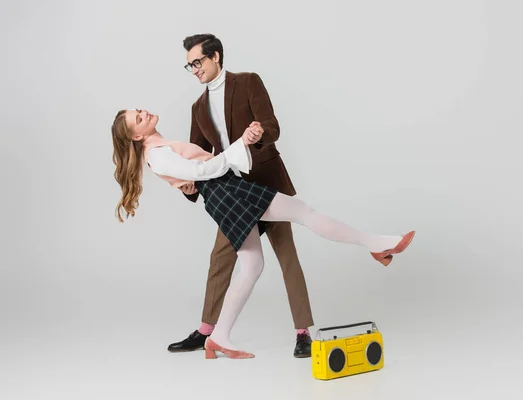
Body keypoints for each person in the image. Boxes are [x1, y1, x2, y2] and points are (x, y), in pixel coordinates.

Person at [111, 108, 416, 359]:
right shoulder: (157, 153)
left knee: (252, 266)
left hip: (222, 194)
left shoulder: (160, 148)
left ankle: (219, 337)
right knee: (303, 213)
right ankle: (376, 244)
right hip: (227, 191)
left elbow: (193, 174)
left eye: (138, 110)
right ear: (137, 136)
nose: (143, 112)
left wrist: (203, 169)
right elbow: (202, 172)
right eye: (138, 118)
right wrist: (239, 144)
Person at [170, 33, 317, 358]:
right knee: (220, 259)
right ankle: (207, 332)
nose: (194, 69)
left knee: (287, 257)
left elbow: (272, 125)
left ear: (216, 57)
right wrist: (187, 185)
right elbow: (197, 155)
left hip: (266, 184)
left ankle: (303, 333)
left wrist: (260, 132)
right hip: (234, 195)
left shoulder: (248, 82)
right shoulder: (198, 107)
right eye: (189, 65)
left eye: (198, 61)